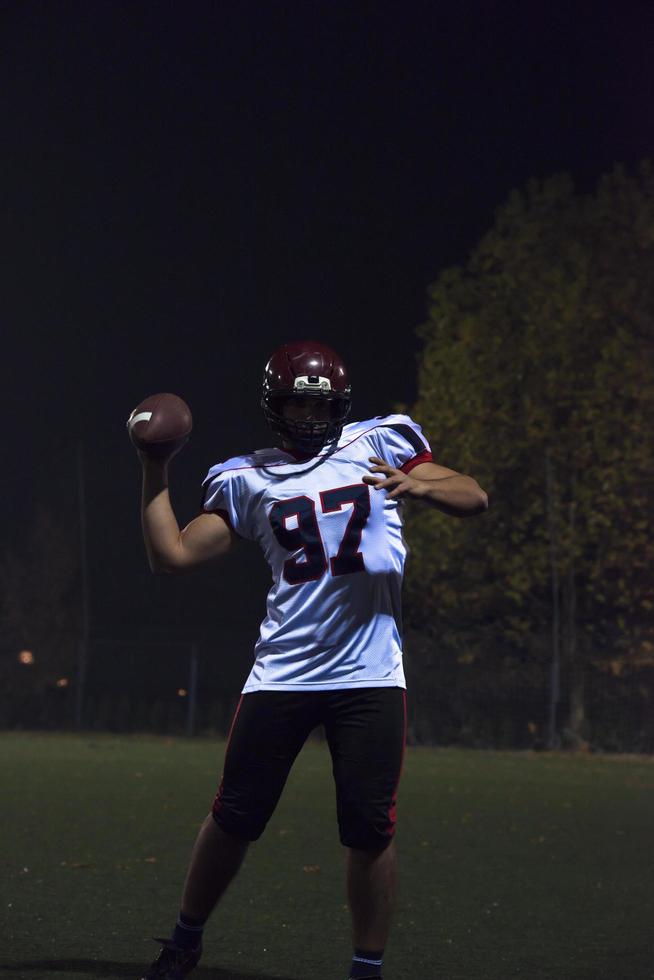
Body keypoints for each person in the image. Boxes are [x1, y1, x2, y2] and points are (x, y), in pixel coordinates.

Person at [135, 340, 488, 980]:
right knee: (234, 816)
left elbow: (473, 495)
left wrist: (419, 484)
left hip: (371, 674)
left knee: (370, 830)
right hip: (283, 674)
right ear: (275, 403)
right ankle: (184, 940)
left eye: (320, 404)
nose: (309, 415)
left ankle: (366, 968)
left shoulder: (383, 442)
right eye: (297, 401)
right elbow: (174, 555)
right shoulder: (248, 475)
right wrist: (155, 468)